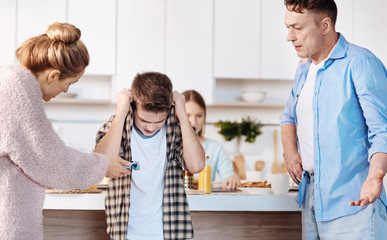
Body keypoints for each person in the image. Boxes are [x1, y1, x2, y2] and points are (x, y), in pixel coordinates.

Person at [0, 22, 131, 240]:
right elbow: (50, 160)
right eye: (70, 83)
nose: (66, 90)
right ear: (53, 75)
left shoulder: (9, 81)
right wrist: (104, 165)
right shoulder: (17, 91)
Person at [280, 0, 387, 238]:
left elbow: (383, 130)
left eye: (297, 28)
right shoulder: (304, 70)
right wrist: (290, 152)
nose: (289, 36)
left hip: (353, 203)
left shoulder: (360, 63)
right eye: (287, 28)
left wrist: (375, 176)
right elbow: (288, 117)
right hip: (311, 200)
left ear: (325, 25)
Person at [94, 72, 205, 240]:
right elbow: (101, 163)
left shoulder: (176, 127)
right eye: (144, 120)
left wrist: (182, 114)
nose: (151, 128)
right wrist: (121, 111)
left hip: (169, 232)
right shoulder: (119, 123)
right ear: (133, 106)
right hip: (124, 232)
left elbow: (196, 165)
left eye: (158, 121)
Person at [182, 90, 241, 190]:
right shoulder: (168, 145)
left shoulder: (215, 148)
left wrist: (232, 177)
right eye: (187, 116)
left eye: (199, 116)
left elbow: (228, 175)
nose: (193, 122)